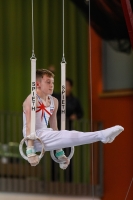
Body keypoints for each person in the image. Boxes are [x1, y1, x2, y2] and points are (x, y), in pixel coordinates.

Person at [22, 69, 124, 169]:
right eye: (48, 82)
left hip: (46, 133)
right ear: (38, 84)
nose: (51, 85)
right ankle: (102, 135)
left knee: (68, 135)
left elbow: (54, 127)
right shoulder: (31, 99)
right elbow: (29, 126)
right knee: (68, 135)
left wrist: (59, 152)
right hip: (33, 137)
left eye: (52, 82)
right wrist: (30, 151)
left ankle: (102, 136)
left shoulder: (54, 101)